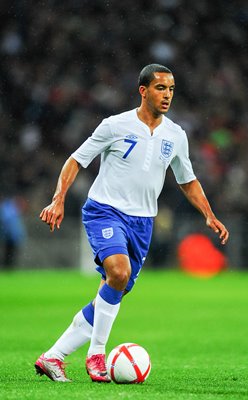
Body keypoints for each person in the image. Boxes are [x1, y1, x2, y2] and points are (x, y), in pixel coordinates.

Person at [35, 63, 229, 383]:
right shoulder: (115, 125)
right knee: (119, 272)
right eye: (160, 88)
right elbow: (76, 159)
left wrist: (208, 214)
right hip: (105, 211)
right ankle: (97, 354)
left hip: (142, 222)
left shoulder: (175, 135)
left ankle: (53, 357)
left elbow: (187, 180)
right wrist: (58, 199)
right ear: (143, 91)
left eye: (171, 89)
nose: (167, 95)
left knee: (112, 291)